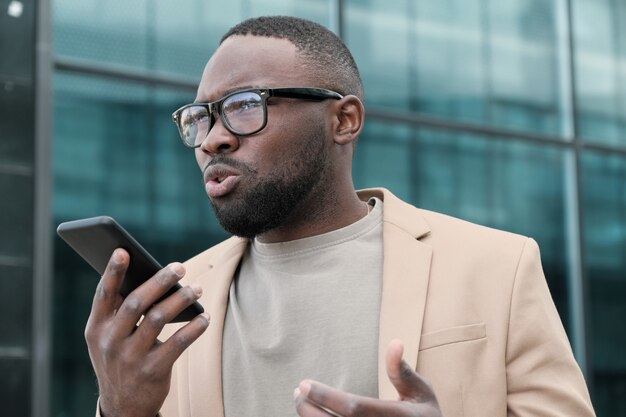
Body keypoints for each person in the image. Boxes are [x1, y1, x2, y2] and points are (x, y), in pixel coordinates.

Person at [86, 15, 595, 417]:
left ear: (344, 120)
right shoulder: (172, 304)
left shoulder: (496, 267)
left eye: (245, 105)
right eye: (200, 117)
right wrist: (120, 410)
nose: (213, 138)